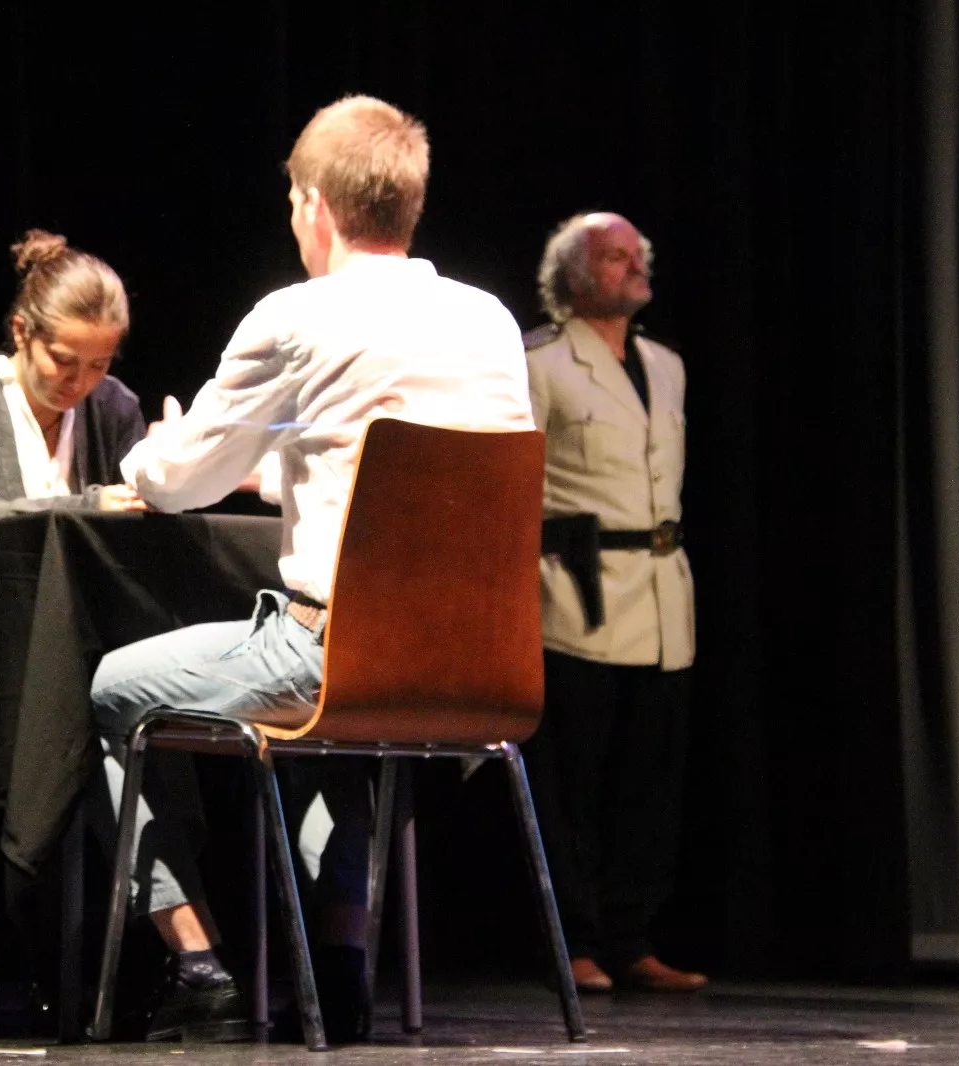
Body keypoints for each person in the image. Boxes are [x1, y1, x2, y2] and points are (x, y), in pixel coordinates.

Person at [87, 95, 536, 1043]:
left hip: (333, 655)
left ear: (315, 206)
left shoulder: (296, 314)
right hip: (474, 671)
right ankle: (339, 968)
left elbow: (175, 483)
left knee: (115, 685)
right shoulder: (491, 321)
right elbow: (402, 459)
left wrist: (151, 454)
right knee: (343, 729)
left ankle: (195, 957)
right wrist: (283, 469)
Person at [519, 212, 706, 993]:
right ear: (569, 276)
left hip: (662, 596)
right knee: (575, 785)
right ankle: (576, 941)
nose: (634, 265)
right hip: (575, 597)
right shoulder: (541, 364)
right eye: (613, 255)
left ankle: (633, 938)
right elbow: (517, 481)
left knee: (647, 784)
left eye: (638, 254)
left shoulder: (666, 364)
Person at [0, 229, 147, 530]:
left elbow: (143, 530)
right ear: (21, 332)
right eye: (62, 360)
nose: (79, 382)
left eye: (99, 365)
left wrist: (166, 473)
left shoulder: (116, 408)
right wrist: (88, 508)